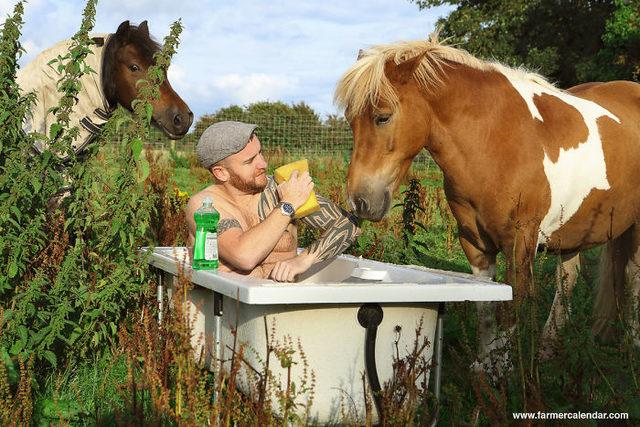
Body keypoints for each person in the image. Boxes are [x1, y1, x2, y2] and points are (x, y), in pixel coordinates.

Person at [185, 121, 360, 282]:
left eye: (260, 153)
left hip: (280, 304)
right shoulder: (204, 206)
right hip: (228, 307)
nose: (263, 163)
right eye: (250, 161)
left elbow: (349, 224)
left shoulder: (279, 190)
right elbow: (244, 257)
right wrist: (288, 205)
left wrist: (305, 259)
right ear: (221, 172)